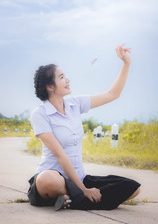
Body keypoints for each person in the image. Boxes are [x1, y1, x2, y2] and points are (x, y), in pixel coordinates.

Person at [28, 43, 141, 211]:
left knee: (133, 187)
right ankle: (77, 196)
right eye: (61, 77)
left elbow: (112, 94)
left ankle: (69, 199)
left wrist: (126, 63)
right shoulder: (40, 113)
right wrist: (83, 189)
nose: (68, 80)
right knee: (47, 179)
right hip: (53, 179)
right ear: (50, 87)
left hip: (80, 178)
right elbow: (60, 154)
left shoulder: (75, 103)